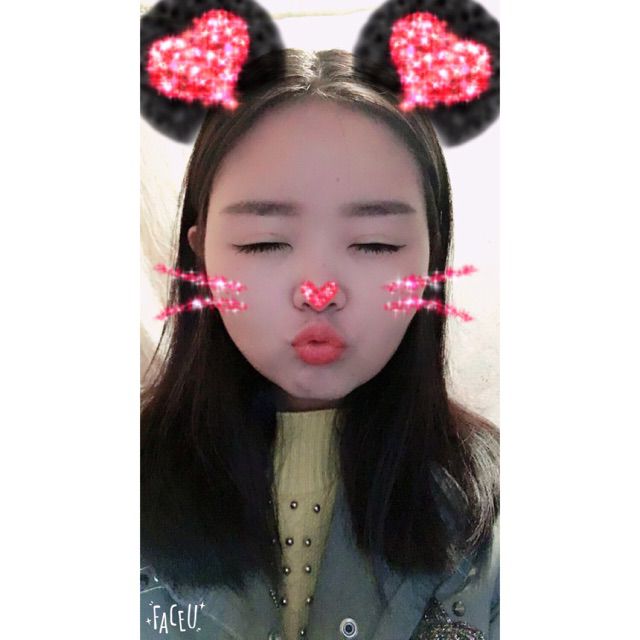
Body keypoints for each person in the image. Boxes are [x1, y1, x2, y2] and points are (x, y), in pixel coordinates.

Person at [141, 47, 499, 640]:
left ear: (431, 260)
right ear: (200, 256)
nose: (318, 292)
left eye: (376, 244)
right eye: (264, 242)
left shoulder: (494, 509)